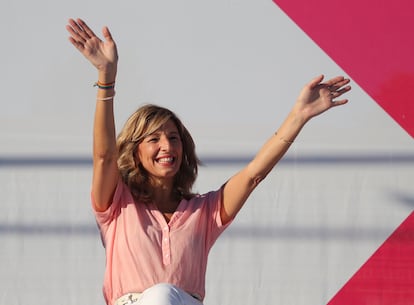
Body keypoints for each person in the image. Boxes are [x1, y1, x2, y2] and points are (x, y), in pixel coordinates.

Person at [66, 18, 351, 305]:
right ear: (135, 152)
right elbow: (104, 157)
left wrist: (298, 116)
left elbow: (253, 175)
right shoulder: (117, 204)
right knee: (160, 296)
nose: (167, 146)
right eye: (154, 139)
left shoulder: (202, 212)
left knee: (166, 296)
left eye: (173, 138)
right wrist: (106, 79)